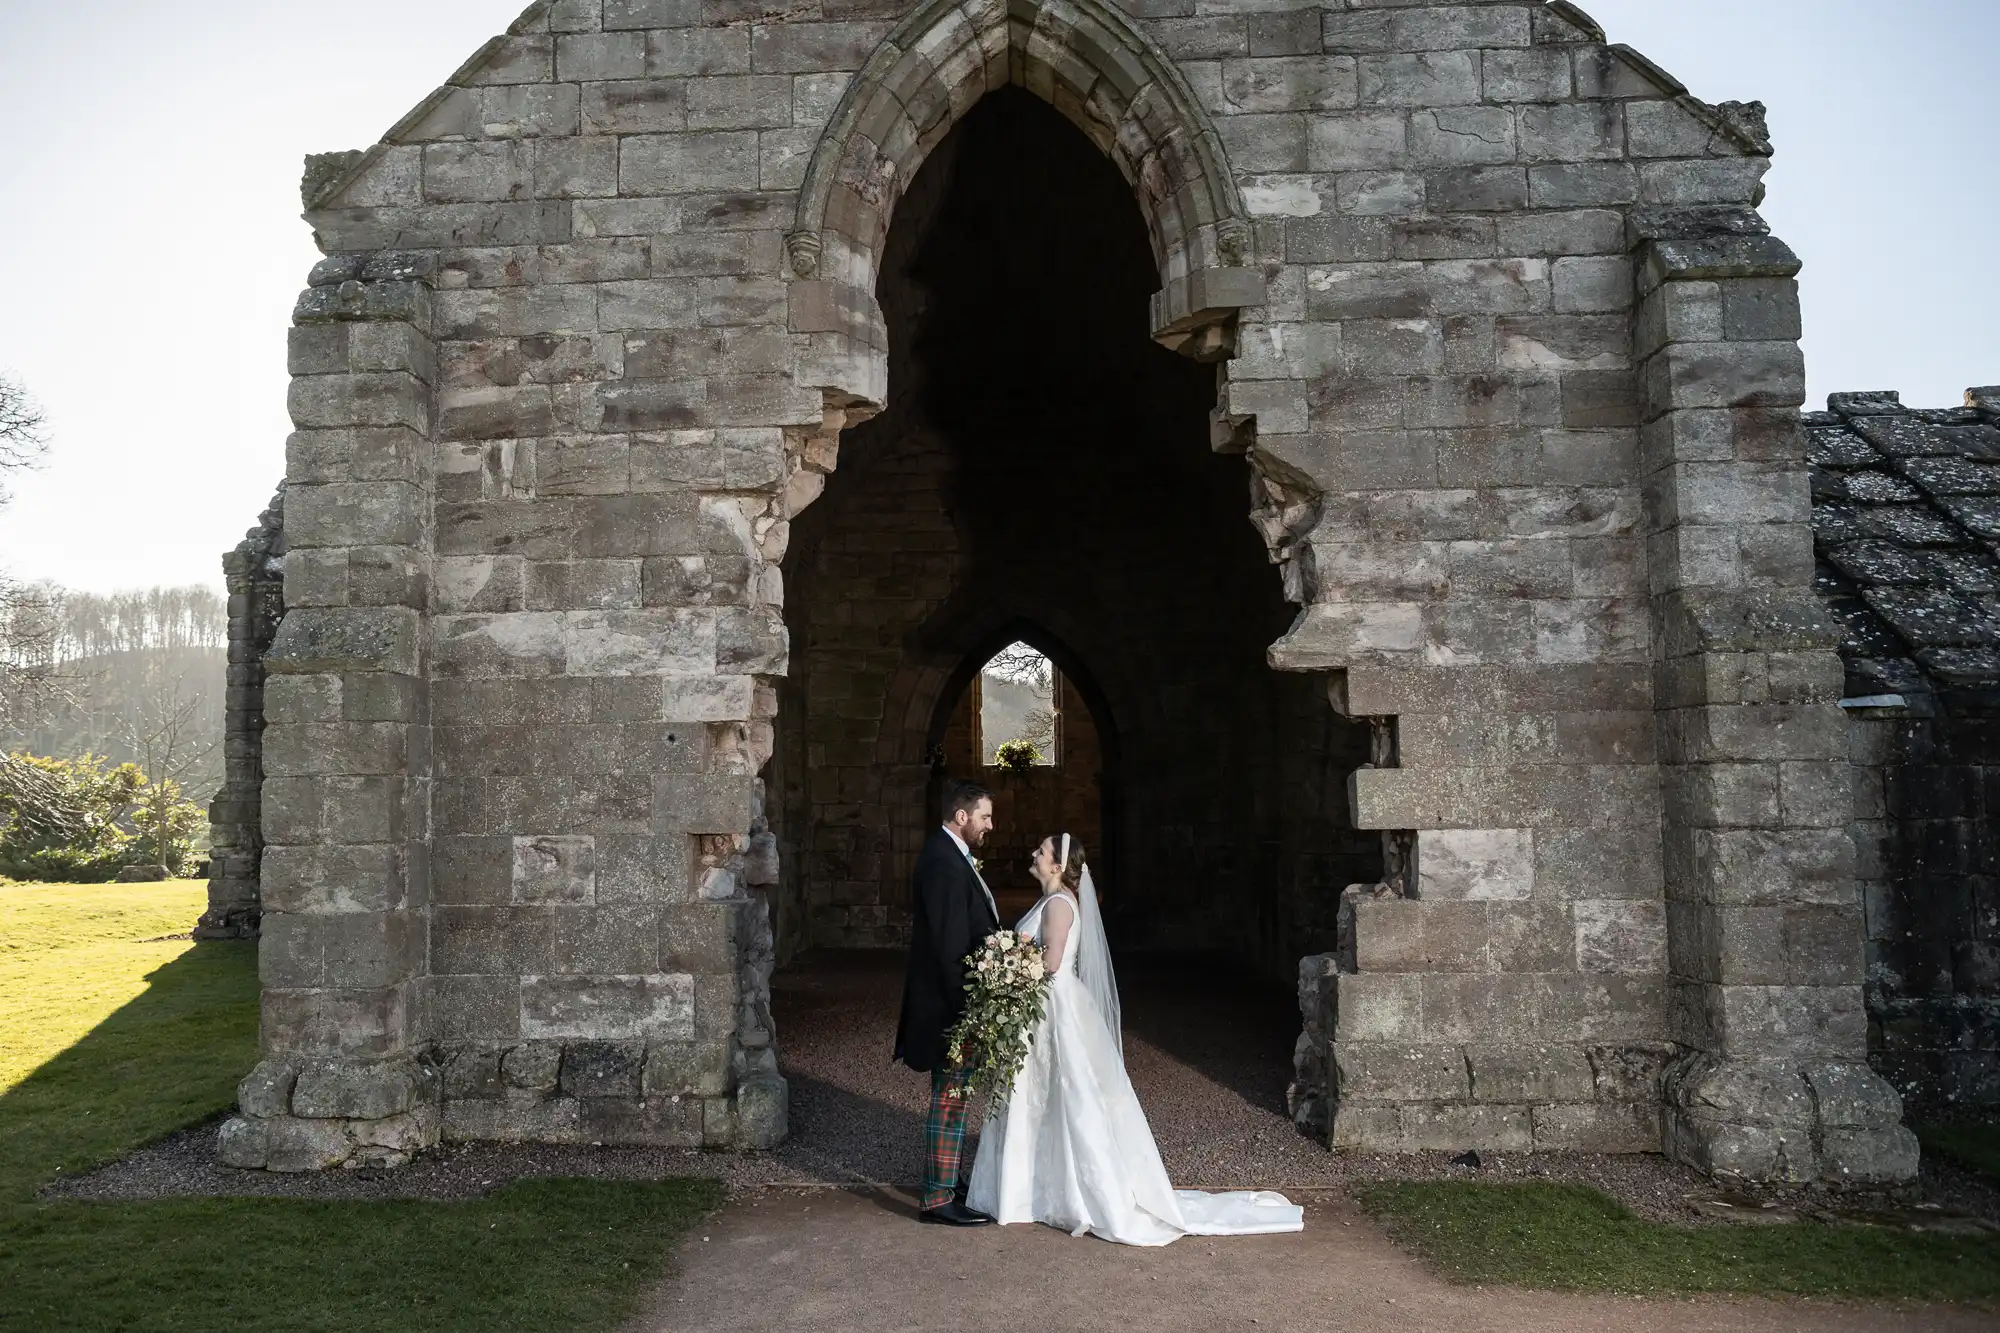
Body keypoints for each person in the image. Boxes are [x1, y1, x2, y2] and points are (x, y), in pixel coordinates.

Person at [966, 833, 1305, 1245]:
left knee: (1063, 1095)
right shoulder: (1054, 900)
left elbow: (1050, 964)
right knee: (1052, 1095)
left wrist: (1005, 963)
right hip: (1051, 1006)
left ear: (1057, 866)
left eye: (1042, 851)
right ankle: (1040, 1185)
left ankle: (1048, 1189)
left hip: (1052, 1007)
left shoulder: (1058, 904)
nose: (1034, 855)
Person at [894, 779, 1001, 1226]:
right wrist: (966, 1006)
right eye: (985, 817)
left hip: (952, 1001)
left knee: (955, 1093)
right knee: (950, 1095)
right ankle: (938, 1199)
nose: (989, 825)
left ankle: (949, 1179)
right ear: (962, 817)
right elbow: (948, 944)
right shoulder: (942, 862)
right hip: (948, 1005)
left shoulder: (951, 856)